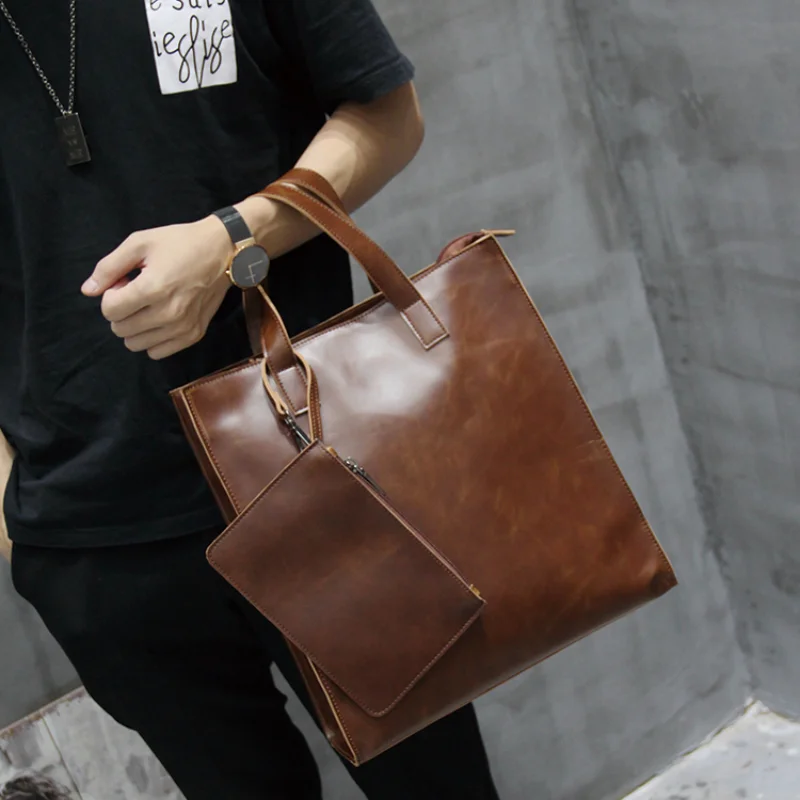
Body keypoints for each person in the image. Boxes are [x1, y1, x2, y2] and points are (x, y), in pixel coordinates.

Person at [0, 1, 501, 799]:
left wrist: (234, 239)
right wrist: (21, 533)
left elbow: (388, 115)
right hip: (93, 550)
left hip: (316, 473)